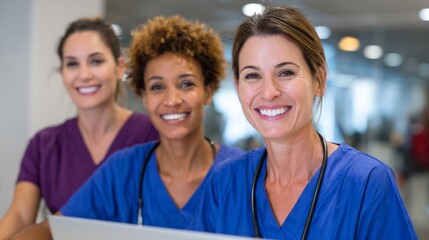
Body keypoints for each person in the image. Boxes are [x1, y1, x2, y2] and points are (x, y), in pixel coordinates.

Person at [190, 5, 418, 239]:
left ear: (319, 80)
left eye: (286, 72)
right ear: (238, 87)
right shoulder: (225, 182)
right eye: (252, 75)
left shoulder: (367, 182)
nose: (269, 92)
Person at [9, 15, 244, 239]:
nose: (172, 99)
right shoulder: (122, 169)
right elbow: (50, 230)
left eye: (186, 84)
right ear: (143, 97)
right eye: (156, 87)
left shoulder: (242, 173)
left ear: (209, 91)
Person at [0, 17, 159, 239]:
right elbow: (19, 215)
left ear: (120, 66)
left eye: (96, 61)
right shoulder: (44, 145)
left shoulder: (151, 135)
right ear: (63, 73)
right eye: (72, 63)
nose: (84, 75)